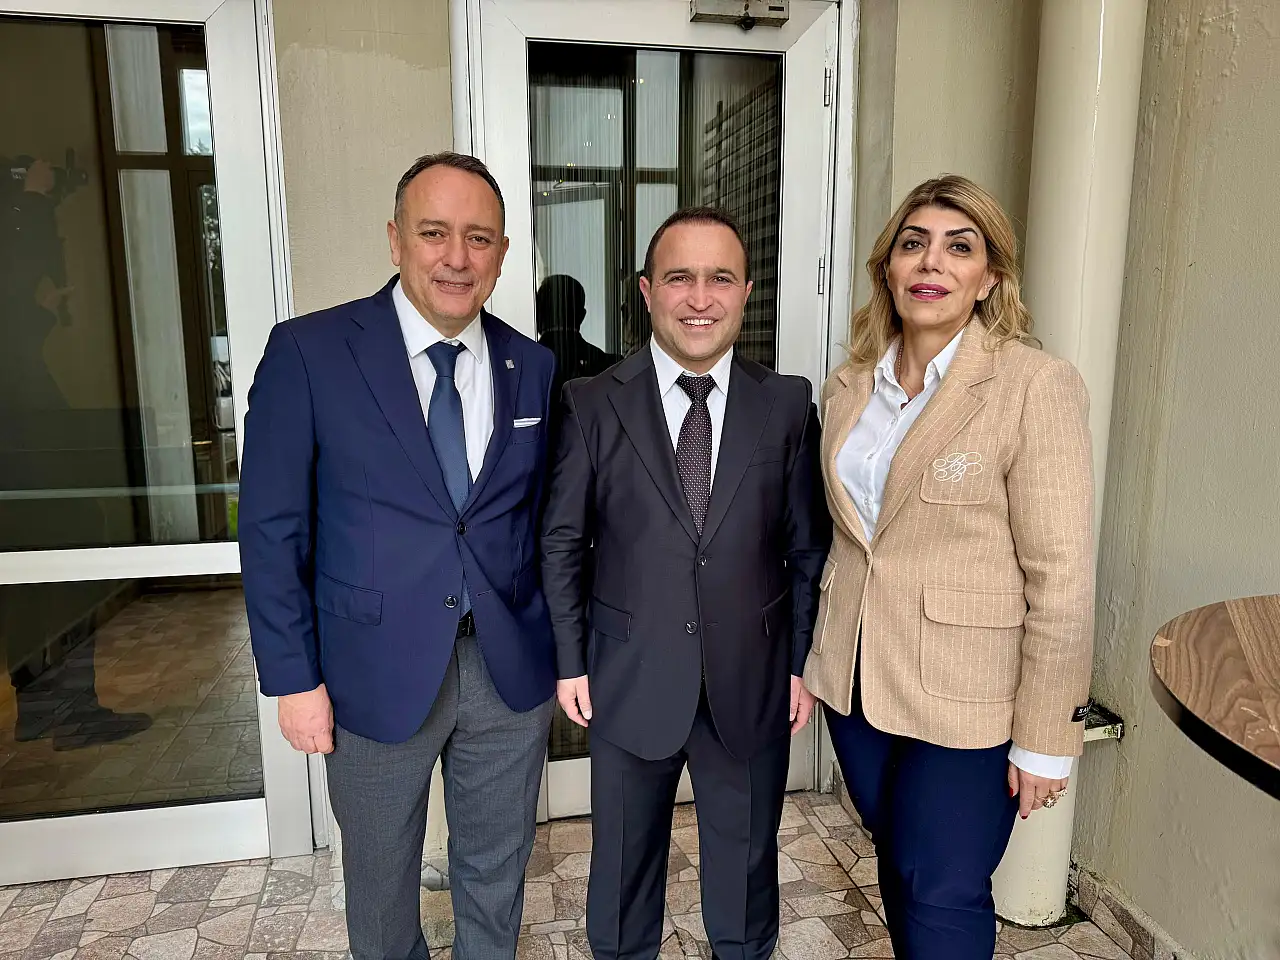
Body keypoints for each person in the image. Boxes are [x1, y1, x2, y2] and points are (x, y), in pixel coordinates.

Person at [238, 152, 558, 960]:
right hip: (368, 671)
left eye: (478, 238)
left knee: (497, 869)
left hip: (506, 670)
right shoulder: (310, 352)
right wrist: (293, 680)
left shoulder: (533, 365)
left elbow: (540, 522)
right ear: (395, 239)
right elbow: (272, 531)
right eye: (434, 233)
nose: (457, 257)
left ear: (502, 254)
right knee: (381, 883)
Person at [801, 174, 1094, 959]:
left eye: (960, 247)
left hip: (971, 695)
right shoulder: (848, 386)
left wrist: (1046, 736)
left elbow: (1062, 580)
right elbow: (849, 539)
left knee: (941, 886)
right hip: (857, 680)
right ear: (889, 268)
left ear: (989, 277)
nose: (932, 262)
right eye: (914, 244)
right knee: (899, 864)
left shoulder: (1033, 386)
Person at [541, 206, 830, 960]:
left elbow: (806, 546)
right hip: (628, 673)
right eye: (679, 278)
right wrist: (570, 660)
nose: (700, 298)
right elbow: (563, 542)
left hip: (752, 675)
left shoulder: (786, 403)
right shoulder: (591, 401)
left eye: (720, 279)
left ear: (746, 292)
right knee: (623, 866)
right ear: (646, 291)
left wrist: (800, 661)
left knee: (746, 867)